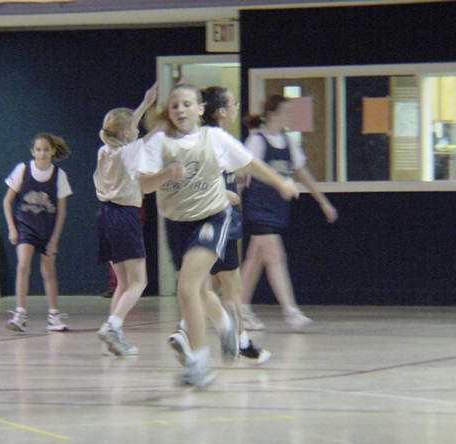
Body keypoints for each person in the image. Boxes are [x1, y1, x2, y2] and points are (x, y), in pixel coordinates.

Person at [138, 83, 298, 387]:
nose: (180, 110)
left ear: (200, 109)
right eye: (174, 105)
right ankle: (226, 326)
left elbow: (250, 163)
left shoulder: (214, 138)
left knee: (187, 287)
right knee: (199, 290)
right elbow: (144, 185)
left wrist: (280, 182)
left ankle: (199, 363)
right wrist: (166, 174)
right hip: (177, 222)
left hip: (212, 217)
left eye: (187, 104)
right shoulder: (159, 142)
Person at [167, 86, 271, 366]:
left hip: (210, 216)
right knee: (227, 283)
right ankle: (230, 339)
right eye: (234, 103)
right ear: (222, 111)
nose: (237, 107)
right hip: (217, 217)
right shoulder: (213, 139)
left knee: (205, 283)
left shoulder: (200, 137)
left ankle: (205, 334)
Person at [240, 94, 338, 331]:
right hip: (258, 208)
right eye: (286, 111)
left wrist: (323, 202)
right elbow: (243, 172)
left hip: (277, 209)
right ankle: (290, 311)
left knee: (255, 259)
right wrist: (232, 202)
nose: (290, 116)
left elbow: (303, 174)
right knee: (276, 256)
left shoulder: (288, 143)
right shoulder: (256, 141)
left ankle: (239, 308)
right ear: (272, 114)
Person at [94, 82, 158, 356]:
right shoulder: (130, 152)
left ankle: (113, 337)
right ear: (125, 134)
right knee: (139, 282)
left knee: (122, 282)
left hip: (105, 216)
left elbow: (127, 129)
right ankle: (112, 327)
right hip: (124, 215)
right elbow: (154, 134)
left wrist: (145, 103)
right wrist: (170, 116)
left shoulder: (105, 149)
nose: (138, 129)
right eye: (134, 128)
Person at [3, 133, 73, 333]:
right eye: (38, 150)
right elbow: (7, 200)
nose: (42, 153)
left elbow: (62, 211)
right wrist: (12, 227)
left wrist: (54, 239)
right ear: (32, 152)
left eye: (46, 150)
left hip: (47, 229)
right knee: (23, 266)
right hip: (25, 227)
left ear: (53, 151)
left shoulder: (59, 175)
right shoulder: (23, 169)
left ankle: (53, 315)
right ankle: (20, 314)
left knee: (48, 272)